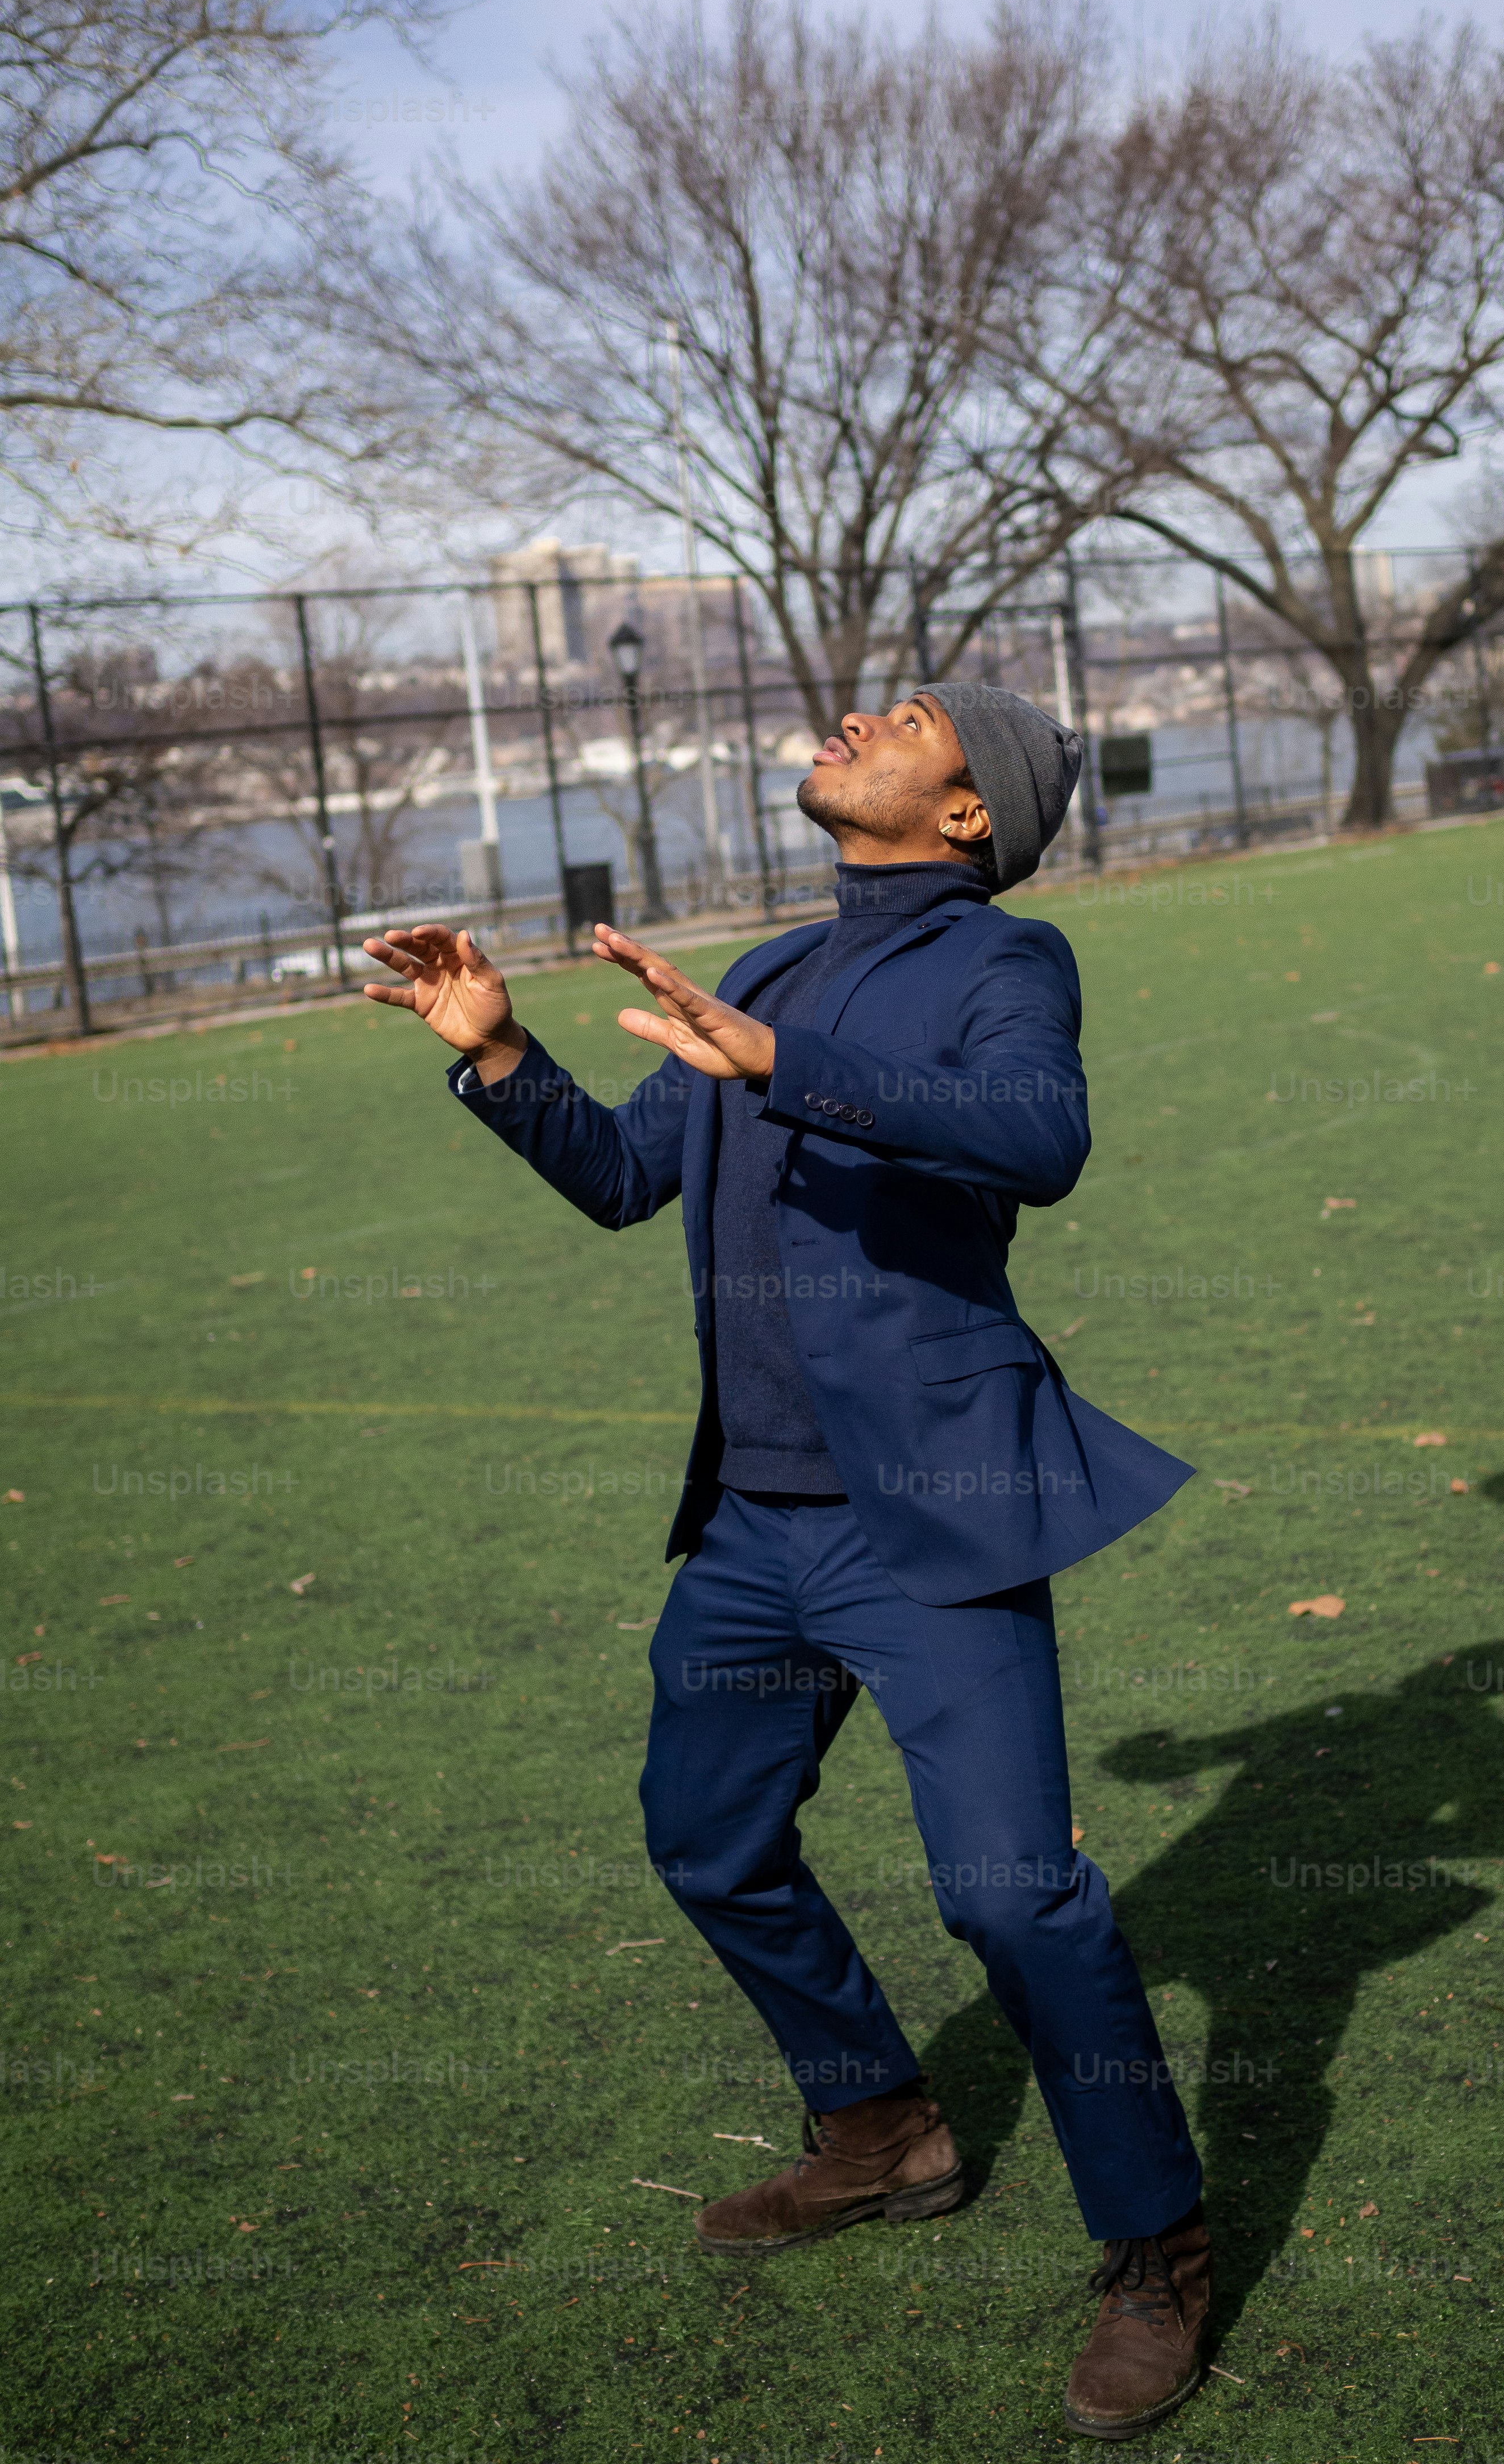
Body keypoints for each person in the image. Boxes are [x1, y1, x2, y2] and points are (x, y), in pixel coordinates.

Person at [360, 682, 1211, 2441]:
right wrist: (498, 1051)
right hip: (754, 1529)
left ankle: (1159, 2251)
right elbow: (620, 1179)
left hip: (936, 1514)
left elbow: (1041, 1143)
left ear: (970, 812)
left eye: (898, 718)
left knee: (1010, 1897)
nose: (847, 719)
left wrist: (791, 1073)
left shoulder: (1006, 960)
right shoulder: (757, 970)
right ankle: (882, 2128)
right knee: (710, 1840)